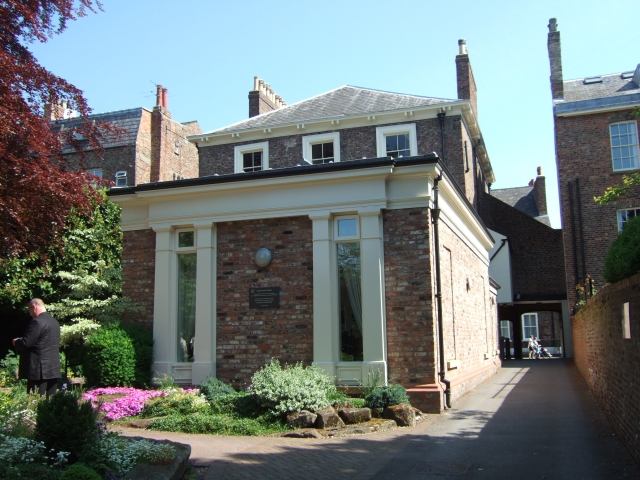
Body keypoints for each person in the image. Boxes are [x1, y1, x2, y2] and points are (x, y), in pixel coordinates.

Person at [12, 298, 61, 397]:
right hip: (53, 368)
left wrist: (16, 342)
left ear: (34, 307)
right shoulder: (54, 322)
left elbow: (26, 343)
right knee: (50, 402)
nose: (30, 314)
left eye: (29, 310)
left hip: (39, 370)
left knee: (35, 402)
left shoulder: (37, 322)